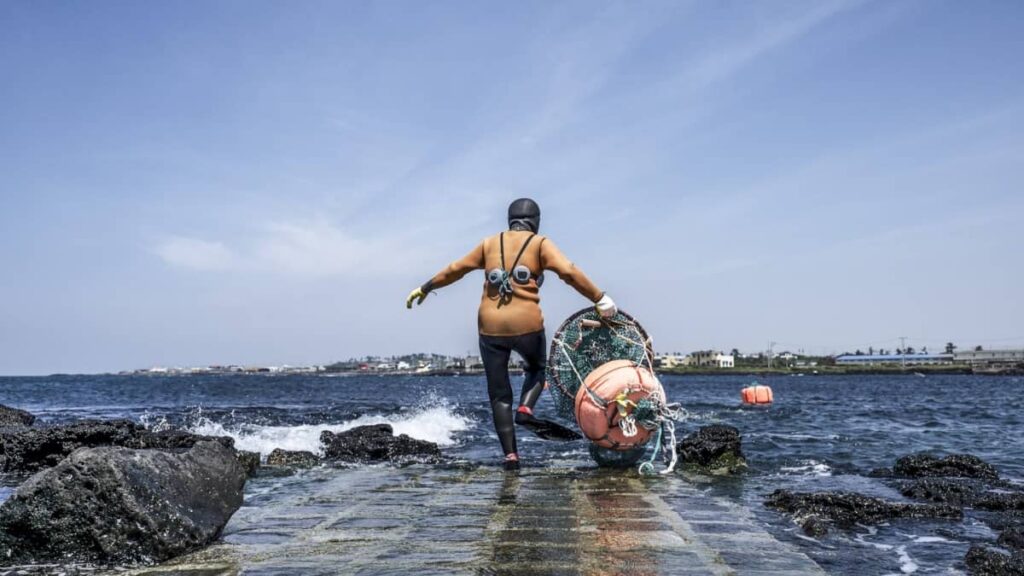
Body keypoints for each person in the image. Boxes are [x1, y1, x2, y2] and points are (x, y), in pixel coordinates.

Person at [405, 198, 616, 469]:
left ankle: (511, 456)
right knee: (538, 368)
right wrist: (599, 298)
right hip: (526, 325)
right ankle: (526, 410)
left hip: (490, 327)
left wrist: (425, 287)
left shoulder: (488, 243)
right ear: (535, 222)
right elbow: (568, 271)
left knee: (499, 394)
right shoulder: (540, 244)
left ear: (509, 220)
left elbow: (456, 269)